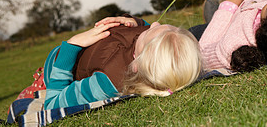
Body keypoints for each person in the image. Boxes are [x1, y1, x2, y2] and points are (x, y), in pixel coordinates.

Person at [27, 15, 202, 110]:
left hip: (55, 66)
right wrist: (136, 23)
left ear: (135, 63)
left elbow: (52, 103)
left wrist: (71, 46)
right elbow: (150, 42)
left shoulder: (107, 81)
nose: (154, 22)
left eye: (152, 29)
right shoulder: (146, 60)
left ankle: (38, 81)